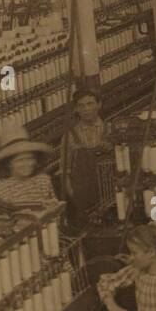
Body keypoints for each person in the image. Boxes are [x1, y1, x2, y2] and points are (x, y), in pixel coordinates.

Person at [60, 88, 114, 220]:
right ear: (76, 109)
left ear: (99, 104)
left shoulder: (112, 130)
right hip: (83, 198)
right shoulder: (70, 137)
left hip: (111, 193)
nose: (86, 109)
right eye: (81, 105)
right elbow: (64, 171)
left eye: (90, 103)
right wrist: (73, 195)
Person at [0, 126, 57, 212]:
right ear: (8, 164)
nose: (27, 164)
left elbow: (55, 215)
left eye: (30, 158)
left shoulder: (42, 181)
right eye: (20, 160)